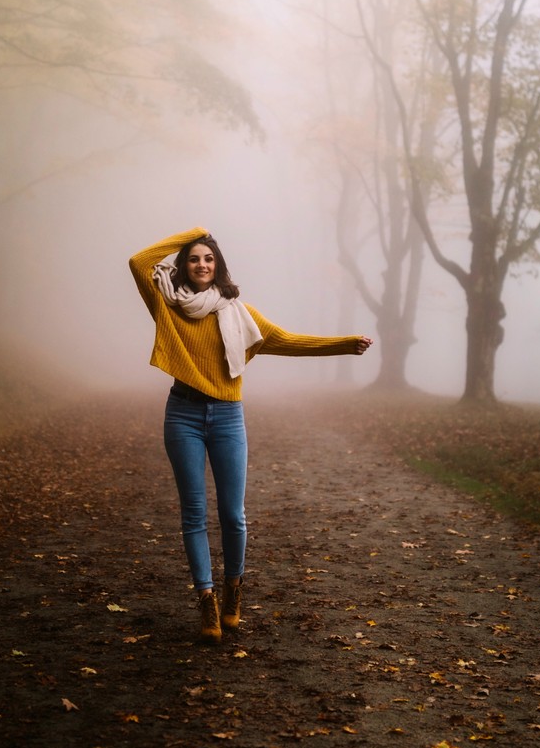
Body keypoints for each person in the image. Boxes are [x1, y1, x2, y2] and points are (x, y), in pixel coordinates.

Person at [129, 227, 372, 643]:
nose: (202, 264)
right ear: (183, 266)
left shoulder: (237, 312)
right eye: (193, 258)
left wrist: (345, 344)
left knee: (233, 515)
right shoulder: (167, 303)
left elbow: (286, 340)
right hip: (182, 413)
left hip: (227, 416)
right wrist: (196, 232)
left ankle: (232, 589)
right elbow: (139, 261)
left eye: (209, 258)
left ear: (219, 266)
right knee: (193, 514)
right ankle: (205, 599)